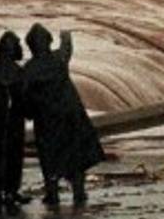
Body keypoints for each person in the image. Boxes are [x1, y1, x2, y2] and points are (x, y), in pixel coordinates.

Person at [22, 24, 105, 207]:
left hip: (46, 120)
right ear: (48, 41)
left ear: (31, 46)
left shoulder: (29, 69)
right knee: (75, 156)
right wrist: (66, 32)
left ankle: (52, 194)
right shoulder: (58, 58)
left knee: (49, 158)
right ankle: (79, 191)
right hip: (70, 115)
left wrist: (28, 114)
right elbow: (67, 46)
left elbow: (25, 97)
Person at [0, 31, 29, 211]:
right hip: (12, 121)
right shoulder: (18, 72)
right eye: (17, 45)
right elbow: (23, 98)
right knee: (12, 155)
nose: (20, 49)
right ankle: (9, 192)